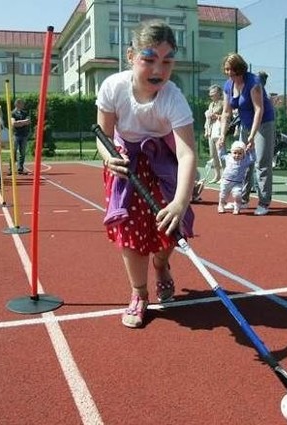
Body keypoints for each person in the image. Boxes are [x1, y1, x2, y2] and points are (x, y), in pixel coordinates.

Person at [95, 20, 196, 328]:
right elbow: (102, 135)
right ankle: (139, 293)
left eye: (167, 61)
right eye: (149, 59)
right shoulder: (113, 87)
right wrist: (109, 159)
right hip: (126, 162)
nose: (159, 69)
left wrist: (180, 203)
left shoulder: (173, 97)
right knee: (130, 230)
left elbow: (187, 153)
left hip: (163, 162)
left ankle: (162, 266)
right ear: (130, 56)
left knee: (168, 231)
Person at [218, 53, 276, 216]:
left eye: (232, 69)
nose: (229, 73)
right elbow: (226, 112)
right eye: (227, 69)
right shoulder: (228, 86)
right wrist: (223, 134)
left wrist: (252, 136)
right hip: (245, 124)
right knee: (244, 162)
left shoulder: (253, 82)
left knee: (261, 163)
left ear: (240, 69)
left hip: (263, 123)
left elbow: (259, 109)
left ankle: (264, 202)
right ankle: (242, 200)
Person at [217, 141, 256, 214]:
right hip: (226, 181)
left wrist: (252, 150)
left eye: (240, 153)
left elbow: (253, 159)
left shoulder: (245, 161)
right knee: (223, 195)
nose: (237, 155)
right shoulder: (228, 157)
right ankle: (221, 205)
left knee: (237, 195)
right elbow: (221, 156)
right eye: (235, 153)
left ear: (243, 154)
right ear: (231, 152)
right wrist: (220, 147)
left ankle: (237, 206)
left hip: (237, 183)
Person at [204, 84, 224, 183]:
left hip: (219, 131)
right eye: (210, 93)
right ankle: (217, 175)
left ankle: (224, 176)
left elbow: (227, 116)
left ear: (218, 93)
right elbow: (208, 119)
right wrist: (206, 130)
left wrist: (216, 116)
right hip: (211, 131)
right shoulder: (211, 104)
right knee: (213, 154)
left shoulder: (223, 103)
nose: (210, 95)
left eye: (213, 93)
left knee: (221, 154)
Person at [11, 98, 31, 174]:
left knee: (22, 152)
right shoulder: (13, 113)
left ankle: (20, 168)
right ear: (17, 104)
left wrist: (19, 122)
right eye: (22, 103)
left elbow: (28, 121)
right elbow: (13, 123)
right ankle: (11, 168)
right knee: (14, 152)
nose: (23, 105)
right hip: (16, 135)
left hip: (24, 135)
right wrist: (23, 122)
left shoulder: (25, 113)